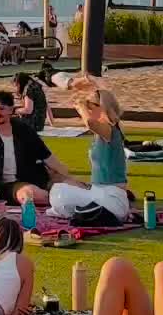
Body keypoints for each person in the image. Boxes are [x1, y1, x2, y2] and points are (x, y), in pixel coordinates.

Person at [46, 78, 130, 224]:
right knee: (62, 184)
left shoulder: (109, 129)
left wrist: (82, 105)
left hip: (111, 200)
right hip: (102, 194)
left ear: (101, 108)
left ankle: (77, 212)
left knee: (58, 192)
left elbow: (90, 122)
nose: (89, 110)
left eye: (92, 106)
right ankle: (80, 211)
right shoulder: (105, 132)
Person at [0, 90, 69, 206]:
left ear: (11, 110)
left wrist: (65, 175)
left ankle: (78, 199)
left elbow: (47, 157)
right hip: (9, 186)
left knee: (72, 186)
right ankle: (63, 201)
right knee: (31, 194)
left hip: (36, 177)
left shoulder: (24, 129)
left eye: (1, 109)